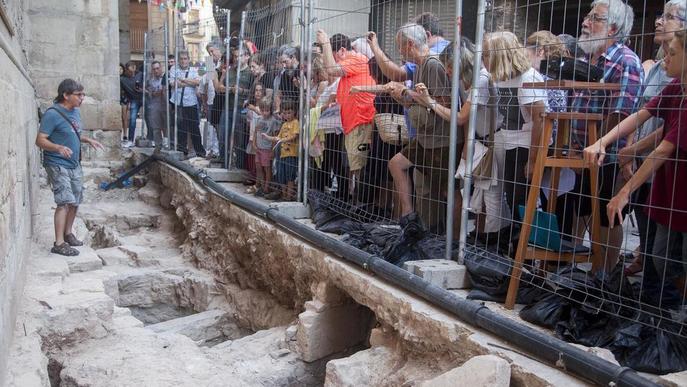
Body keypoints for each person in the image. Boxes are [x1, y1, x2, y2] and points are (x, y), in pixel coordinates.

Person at [584, 30, 687, 292]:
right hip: (671, 188)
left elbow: (662, 149)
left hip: (681, 190)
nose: (665, 58)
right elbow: (641, 115)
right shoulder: (676, 87)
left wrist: (624, 193)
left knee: (676, 259)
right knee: (663, 256)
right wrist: (602, 142)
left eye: (673, 54)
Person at [571, 0, 643, 271]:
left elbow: (622, 113)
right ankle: (575, 269)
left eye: (595, 18)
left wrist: (598, 145)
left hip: (607, 156)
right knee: (580, 211)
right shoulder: (585, 58)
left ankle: (605, 277)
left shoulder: (626, 61)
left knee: (605, 217)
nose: (585, 23)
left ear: (612, 28)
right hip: (580, 154)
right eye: (588, 16)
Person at [615, 0, 687, 276]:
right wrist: (628, 148)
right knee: (652, 241)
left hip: (666, 167)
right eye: (661, 15)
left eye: (669, 16)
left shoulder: (677, 77)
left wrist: (634, 149)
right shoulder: (659, 67)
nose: (659, 21)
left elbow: (669, 131)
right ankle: (654, 298)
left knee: (668, 251)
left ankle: (665, 306)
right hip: (647, 165)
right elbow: (640, 112)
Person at [384, 23, 454, 233]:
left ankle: (434, 233)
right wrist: (403, 97)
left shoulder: (432, 65)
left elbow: (444, 103)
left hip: (438, 137)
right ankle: (410, 219)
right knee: (398, 166)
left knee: (433, 189)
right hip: (425, 136)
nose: (400, 52)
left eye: (400, 47)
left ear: (410, 44)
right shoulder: (421, 66)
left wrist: (408, 93)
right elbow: (421, 101)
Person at [482, 31, 548, 246]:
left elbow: (540, 121)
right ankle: (518, 247)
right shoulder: (502, 77)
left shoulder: (528, 78)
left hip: (527, 145)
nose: (483, 60)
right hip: (510, 143)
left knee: (522, 199)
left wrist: (532, 159)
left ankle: (528, 250)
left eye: (486, 55)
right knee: (512, 197)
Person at [35, 79, 103, 256]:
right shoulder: (52, 114)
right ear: (66, 95)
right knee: (64, 202)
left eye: (83, 94)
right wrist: (58, 147)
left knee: (75, 201)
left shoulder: (75, 113)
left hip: (74, 163)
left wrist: (88, 140)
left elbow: (73, 134)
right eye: (78, 95)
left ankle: (68, 233)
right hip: (58, 164)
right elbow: (40, 140)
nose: (82, 98)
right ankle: (58, 243)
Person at [316, 30, 377, 201]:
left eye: (334, 55)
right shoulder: (353, 62)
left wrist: (325, 43)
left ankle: (361, 204)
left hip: (361, 120)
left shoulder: (354, 59)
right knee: (354, 166)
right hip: (354, 122)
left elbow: (331, 69)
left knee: (359, 166)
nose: (333, 59)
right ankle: (358, 202)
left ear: (342, 50)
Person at [169, 50, 205, 157]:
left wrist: (183, 80)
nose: (183, 61)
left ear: (189, 59)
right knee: (181, 128)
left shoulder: (195, 69)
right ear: (178, 60)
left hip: (191, 102)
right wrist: (189, 82)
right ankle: (182, 151)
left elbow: (198, 82)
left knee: (194, 128)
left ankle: (199, 151)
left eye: (185, 58)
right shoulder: (173, 69)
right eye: (181, 59)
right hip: (178, 102)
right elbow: (173, 84)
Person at [263, 101, 299, 201]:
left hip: (291, 154)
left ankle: (289, 196)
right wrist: (267, 137)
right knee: (282, 175)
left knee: (290, 176)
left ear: (294, 112)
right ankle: (284, 195)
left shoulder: (295, 123)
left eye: (289, 112)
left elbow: (295, 136)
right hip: (283, 154)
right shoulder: (284, 125)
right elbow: (277, 138)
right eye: (285, 113)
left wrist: (283, 140)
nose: (287, 115)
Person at [253, 97, 280, 197]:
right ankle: (261, 185)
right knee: (259, 167)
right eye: (263, 110)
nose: (265, 113)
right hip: (258, 148)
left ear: (271, 110)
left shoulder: (273, 121)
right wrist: (254, 144)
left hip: (267, 148)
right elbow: (256, 132)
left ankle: (266, 187)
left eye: (267, 110)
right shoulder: (258, 119)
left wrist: (272, 150)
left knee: (267, 168)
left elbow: (274, 135)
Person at [120, 61, 143, 147]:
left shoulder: (140, 74)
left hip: (144, 97)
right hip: (134, 100)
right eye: (130, 72)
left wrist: (141, 89)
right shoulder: (122, 79)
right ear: (126, 70)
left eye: (133, 71)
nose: (132, 74)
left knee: (149, 118)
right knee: (132, 119)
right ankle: (130, 140)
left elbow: (146, 84)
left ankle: (150, 138)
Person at [144, 60, 167, 148]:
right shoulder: (150, 80)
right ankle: (158, 145)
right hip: (154, 106)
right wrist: (154, 93)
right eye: (154, 69)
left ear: (161, 68)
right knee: (156, 128)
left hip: (165, 106)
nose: (156, 70)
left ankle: (166, 144)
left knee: (166, 126)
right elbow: (149, 93)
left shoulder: (166, 78)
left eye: (157, 68)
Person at [119, 63, 130, 145]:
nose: (119, 70)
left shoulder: (125, 78)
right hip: (117, 98)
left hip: (124, 99)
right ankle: (119, 133)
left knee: (124, 117)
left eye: (121, 69)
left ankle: (125, 134)